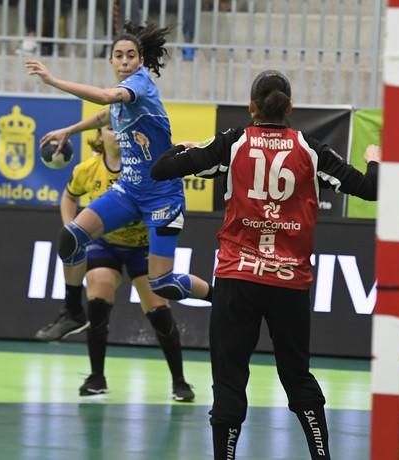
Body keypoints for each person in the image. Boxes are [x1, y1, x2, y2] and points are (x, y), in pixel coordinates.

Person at [150, 70, 380, 459]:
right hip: (289, 283)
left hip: (237, 279)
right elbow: (370, 189)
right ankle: (321, 455)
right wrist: (374, 160)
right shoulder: (310, 149)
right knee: (296, 375)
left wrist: (185, 149)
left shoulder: (232, 144)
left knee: (229, 377)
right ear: (290, 107)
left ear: (251, 106)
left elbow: (161, 171)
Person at [25, 21, 212, 334]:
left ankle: (221, 298)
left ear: (140, 60)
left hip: (163, 197)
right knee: (71, 237)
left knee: (162, 283)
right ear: (110, 60)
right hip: (129, 190)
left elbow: (103, 98)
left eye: (131, 56)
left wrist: (53, 80)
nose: (125, 62)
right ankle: (73, 311)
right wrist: (69, 130)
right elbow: (106, 115)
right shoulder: (123, 100)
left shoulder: (139, 84)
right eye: (119, 56)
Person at [41, 126, 205, 401]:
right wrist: (73, 230)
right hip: (105, 245)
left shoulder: (142, 167)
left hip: (142, 246)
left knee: (159, 311)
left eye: (120, 129)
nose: (116, 133)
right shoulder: (87, 169)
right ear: (99, 136)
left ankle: (179, 381)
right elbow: (69, 196)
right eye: (109, 128)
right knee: (98, 298)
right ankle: (96, 377)